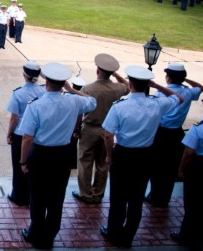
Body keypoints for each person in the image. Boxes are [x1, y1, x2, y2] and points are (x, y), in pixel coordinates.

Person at [100, 66, 182, 248]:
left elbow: (108, 134)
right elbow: (179, 98)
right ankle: (128, 236)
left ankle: (114, 232)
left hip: (123, 154)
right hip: (145, 156)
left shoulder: (120, 106)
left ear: (130, 84)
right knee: (136, 199)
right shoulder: (156, 104)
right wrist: (157, 86)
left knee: (118, 198)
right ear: (147, 85)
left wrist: (109, 155)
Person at [19, 62, 96, 249]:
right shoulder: (73, 100)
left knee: (37, 196)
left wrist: (23, 161)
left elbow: (27, 138)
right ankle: (50, 233)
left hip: (41, 154)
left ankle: (35, 232)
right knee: (56, 197)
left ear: (46, 83)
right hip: (63, 154)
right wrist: (72, 90)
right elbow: (92, 102)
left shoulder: (36, 105)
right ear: (63, 84)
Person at [73, 54, 129, 205]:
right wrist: (114, 73)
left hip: (90, 129)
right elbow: (128, 86)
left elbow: (81, 111)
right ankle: (98, 193)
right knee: (103, 163)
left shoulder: (88, 88)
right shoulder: (117, 88)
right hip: (107, 131)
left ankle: (85, 194)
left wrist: (77, 128)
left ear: (97, 70)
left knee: (85, 162)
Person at [145, 63, 202, 207]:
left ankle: (155, 195)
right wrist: (184, 79)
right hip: (177, 134)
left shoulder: (161, 92)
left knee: (157, 166)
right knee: (171, 168)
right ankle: (164, 197)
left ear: (168, 77)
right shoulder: (188, 92)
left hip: (161, 132)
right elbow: (200, 87)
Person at [5, 61, 45, 207]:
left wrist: (9, 133)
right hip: (36, 135)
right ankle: (30, 195)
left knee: (18, 166)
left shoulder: (18, 93)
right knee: (32, 167)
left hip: (20, 134)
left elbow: (14, 118)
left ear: (24, 75)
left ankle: (18, 196)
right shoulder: (43, 91)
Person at [170, 118, 203, 249]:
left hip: (198, 168)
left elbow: (188, 153)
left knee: (192, 202)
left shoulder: (198, 128)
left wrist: (181, 169)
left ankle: (187, 235)